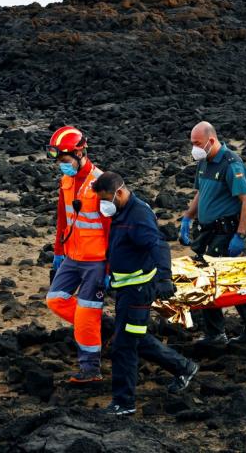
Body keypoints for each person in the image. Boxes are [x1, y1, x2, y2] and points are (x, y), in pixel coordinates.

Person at [92, 172, 199, 415]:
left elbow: (158, 245)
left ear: (119, 192)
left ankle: (124, 403)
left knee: (125, 345)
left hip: (139, 292)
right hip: (127, 289)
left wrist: (164, 276)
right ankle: (184, 367)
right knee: (134, 338)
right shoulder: (122, 211)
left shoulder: (138, 215)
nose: (103, 205)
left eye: (106, 199)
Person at [179, 121, 246, 345]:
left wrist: (240, 235)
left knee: (212, 280)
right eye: (192, 143)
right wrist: (188, 217)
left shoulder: (230, 164)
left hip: (225, 232)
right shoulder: (204, 161)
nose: (194, 148)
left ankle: (217, 334)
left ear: (211, 141)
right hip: (208, 232)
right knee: (228, 279)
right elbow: (201, 192)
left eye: (197, 143)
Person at [44, 126, 109, 383]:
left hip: (96, 261)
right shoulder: (66, 181)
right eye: (59, 162)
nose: (62, 166)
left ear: (81, 152)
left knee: (87, 312)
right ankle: (99, 327)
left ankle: (90, 370)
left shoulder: (101, 183)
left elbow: (110, 228)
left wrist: (109, 267)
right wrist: (58, 252)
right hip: (72, 257)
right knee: (56, 299)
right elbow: (63, 218)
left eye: (65, 160)